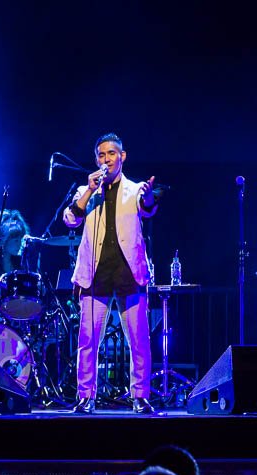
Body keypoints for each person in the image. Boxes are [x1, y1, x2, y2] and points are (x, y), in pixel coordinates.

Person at [63, 133, 158, 414]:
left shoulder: (135, 189)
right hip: (95, 275)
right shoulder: (87, 191)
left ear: (122, 156)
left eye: (112, 154)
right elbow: (70, 219)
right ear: (96, 159)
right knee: (88, 340)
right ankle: (86, 397)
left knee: (139, 340)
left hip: (129, 274)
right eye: (102, 155)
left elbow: (148, 209)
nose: (107, 159)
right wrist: (90, 191)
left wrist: (150, 197)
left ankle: (140, 396)